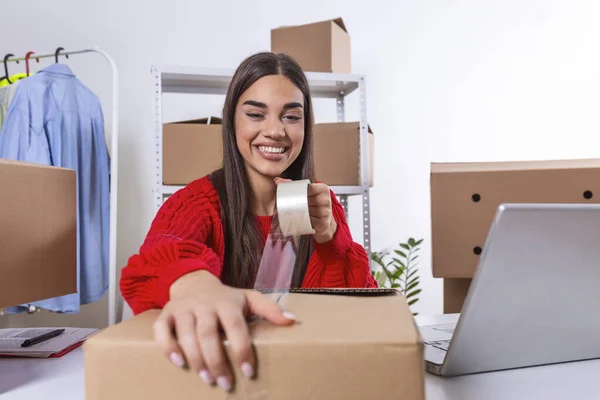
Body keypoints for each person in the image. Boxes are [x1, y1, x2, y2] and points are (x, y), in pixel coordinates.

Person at [120, 52, 377, 392]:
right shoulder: (197, 203)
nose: (274, 131)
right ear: (231, 121)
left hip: (304, 380)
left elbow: (361, 315)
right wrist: (196, 286)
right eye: (256, 114)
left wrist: (331, 240)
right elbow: (157, 258)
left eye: (291, 116)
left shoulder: (321, 205)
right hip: (221, 383)